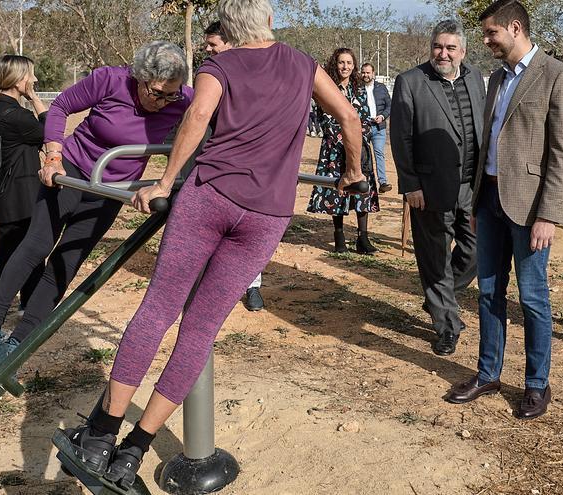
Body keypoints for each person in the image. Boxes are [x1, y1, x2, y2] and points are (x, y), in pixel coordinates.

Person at [52, 0, 365, 488]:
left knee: (157, 310)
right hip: (267, 214)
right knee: (200, 331)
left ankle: (99, 440)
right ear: (271, 22)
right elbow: (348, 117)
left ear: (230, 30)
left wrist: (163, 182)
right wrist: (352, 171)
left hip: (210, 196)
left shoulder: (220, 64)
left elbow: (197, 115)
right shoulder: (304, 65)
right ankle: (133, 451)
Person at [0, 41, 193, 369]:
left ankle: (17, 343)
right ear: (139, 78)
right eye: (157, 92)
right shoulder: (111, 80)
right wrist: (54, 156)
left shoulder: (182, 99)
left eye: (172, 94)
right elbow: (60, 108)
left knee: (67, 261)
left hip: (110, 190)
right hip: (72, 170)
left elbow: (208, 117)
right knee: (36, 244)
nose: (164, 101)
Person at [446, 0, 563, 420]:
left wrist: (549, 214)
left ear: (516, 27)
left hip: (530, 210)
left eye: (491, 33)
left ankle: (537, 385)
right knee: (488, 292)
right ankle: (488, 373)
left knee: (533, 297)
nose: (486, 41)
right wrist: (473, 201)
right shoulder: (497, 79)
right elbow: (487, 143)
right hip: (488, 202)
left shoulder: (558, 76)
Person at [391, 19, 485, 356]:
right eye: (437, 46)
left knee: (476, 251)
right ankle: (447, 325)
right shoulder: (411, 81)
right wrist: (410, 184)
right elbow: (400, 138)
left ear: (463, 51)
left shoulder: (475, 78)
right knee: (434, 259)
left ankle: (437, 297)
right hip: (429, 189)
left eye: (449, 48)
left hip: (471, 187)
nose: (442, 53)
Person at [0, 55, 48, 328]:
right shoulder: (17, 116)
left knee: (32, 248)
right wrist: (36, 100)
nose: (35, 81)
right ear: (19, 81)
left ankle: (30, 304)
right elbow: (51, 133)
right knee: (6, 257)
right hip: (18, 196)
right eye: (31, 76)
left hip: (4, 193)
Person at [198, 20, 264, 311]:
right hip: (213, 165)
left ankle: (252, 286)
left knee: (246, 234)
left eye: (213, 44)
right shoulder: (211, 72)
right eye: (207, 44)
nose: (208, 49)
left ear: (231, 42)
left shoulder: (254, 76)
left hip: (248, 167)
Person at [307, 48, 380, 255]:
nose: (345, 66)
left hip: (358, 146)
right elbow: (325, 117)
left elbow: (365, 117)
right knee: (336, 190)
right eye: (341, 62)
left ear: (354, 65)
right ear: (335, 64)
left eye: (349, 62)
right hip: (334, 148)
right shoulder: (327, 87)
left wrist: (358, 137)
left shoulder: (360, 88)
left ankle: (362, 238)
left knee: (362, 188)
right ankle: (339, 237)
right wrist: (342, 135)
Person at [360, 62, 393, 193]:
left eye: (368, 72)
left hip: (379, 127)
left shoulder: (381, 88)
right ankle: (364, 182)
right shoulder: (357, 88)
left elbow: (389, 106)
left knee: (379, 153)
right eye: (363, 72)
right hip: (363, 127)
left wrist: (383, 116)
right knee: (363, 155)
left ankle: (383, 182)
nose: (365, 75)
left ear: (373, 73)